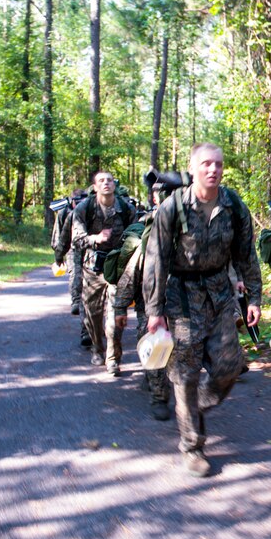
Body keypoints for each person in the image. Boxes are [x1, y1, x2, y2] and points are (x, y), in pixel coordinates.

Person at [143, 143, 262, 478]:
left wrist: (253, 298)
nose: (214, 170)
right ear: (192, 169)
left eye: (219, 164)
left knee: (229, 365)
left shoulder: (234, 205)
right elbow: (156, 261)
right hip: (181, 296)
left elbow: (246, 255)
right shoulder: (173, 208)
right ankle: (192, 445)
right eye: (207, 164)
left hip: (220, 293)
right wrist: (154, 310)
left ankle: (195, 404)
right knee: (185, 374)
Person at [113, 183, 171, 421]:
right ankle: (159, 396)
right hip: (148, 303)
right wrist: (119, 307)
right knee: (155, 346)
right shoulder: (148, 233)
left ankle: (162, 383)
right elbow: (131, 274)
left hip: (183, 301)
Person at [72, 172, 136, 373]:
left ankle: (113, 358)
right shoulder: (85, 208)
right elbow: (76, 238)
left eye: (109, 180)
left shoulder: (126, 208)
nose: (106, 183)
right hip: (93, 268)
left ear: (114, 185)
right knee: (93, 314)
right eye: (101, 181)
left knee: (115, 314)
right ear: (95, 187)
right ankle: (97, 349)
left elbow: (137, 231)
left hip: (117, 268)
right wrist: (95, 239)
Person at [53, 188, 91, 347]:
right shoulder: (66, 213)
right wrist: (58, 254)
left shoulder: (93, 210)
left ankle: (91, 330)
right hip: (73, 250)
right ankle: (85, 328)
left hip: (93, 252)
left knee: (93, 293)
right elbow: (60, 234)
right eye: (77, 200)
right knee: (77, 278)